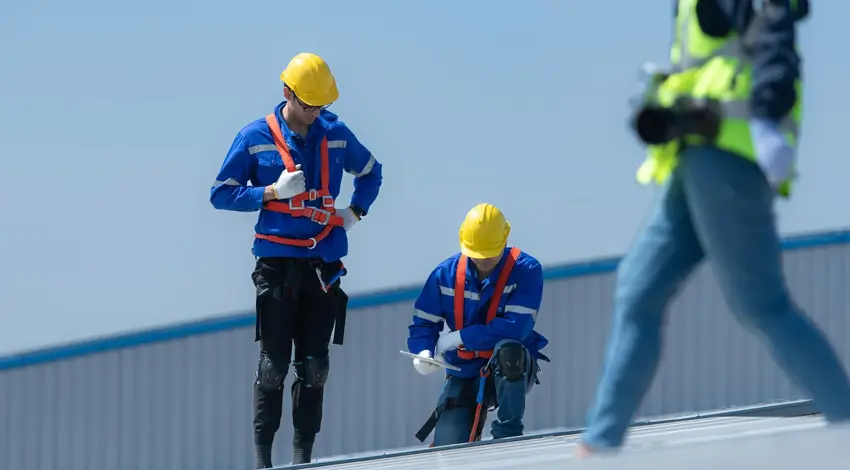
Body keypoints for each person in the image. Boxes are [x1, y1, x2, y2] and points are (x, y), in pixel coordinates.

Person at [576, 0, 850, 457]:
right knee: (638, 290)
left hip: (725, 156)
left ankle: (845, 418)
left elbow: (773, 31)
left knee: (762, 305)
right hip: (693, 158)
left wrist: (765, 118)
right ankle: (599, 443)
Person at [209, 52, 383, 468]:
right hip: (276, 263)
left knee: (315, 367)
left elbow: (372, 172)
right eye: (308, 105)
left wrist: (355, 213)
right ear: (288, 93)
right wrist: (270, 192)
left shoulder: (337, 134)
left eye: (321, 105)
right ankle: (263, 462)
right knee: (273, 366)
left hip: (323, 263)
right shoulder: (254, 137)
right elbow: (221, 193)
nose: (314, 113)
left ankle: (304, 459)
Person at [406, 203, 550, 446]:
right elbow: (424, 323)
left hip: (510, 368)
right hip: (463, 370)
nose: (483, 261)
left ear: (505, 239)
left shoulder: (526, 270)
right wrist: (423, 351)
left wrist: (458, 337)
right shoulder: (444, 275)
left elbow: (516, 327)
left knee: (509, 352)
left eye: (490, 254)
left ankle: (508, 436)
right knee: (449, 449)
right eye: (477, 254)